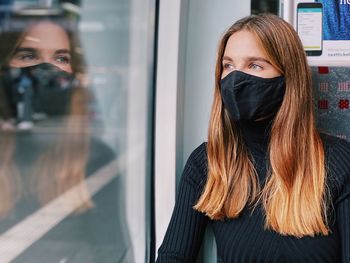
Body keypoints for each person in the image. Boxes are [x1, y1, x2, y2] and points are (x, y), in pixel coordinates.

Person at [157, 13, 350, 262]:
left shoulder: (338, 161)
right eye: (228, 65)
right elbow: (173, 256)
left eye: (255, 65)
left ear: (287, 77)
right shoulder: (209, 163)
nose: (236, 79)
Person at [0, 8, 133, 262]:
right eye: (28, 55)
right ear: (5, 65)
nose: (46, 69)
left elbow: (110, 253)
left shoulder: (93, 159)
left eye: (61, 58)